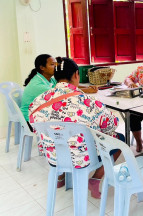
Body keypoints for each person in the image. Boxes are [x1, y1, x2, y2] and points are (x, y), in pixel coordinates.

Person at [29, 57, 122, 199]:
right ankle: (95, 179)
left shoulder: (37, 101)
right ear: (76, 75)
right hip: (81, 159)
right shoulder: (88, 102)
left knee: (60, 138)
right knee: (119, 138)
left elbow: (35, 127)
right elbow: (111, 124)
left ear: (55, 76)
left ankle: (60, 178)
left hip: (53, 157)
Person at [21, 54, 58, 130]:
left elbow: (64, 86)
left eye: (56, 64)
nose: (56, 67)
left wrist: (87, 88)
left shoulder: (50, 79)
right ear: (42, 68)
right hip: (30, 120)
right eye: (52, 64)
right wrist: (87, 90)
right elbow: (60, 92)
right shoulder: (38, 85)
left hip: (39, 113)